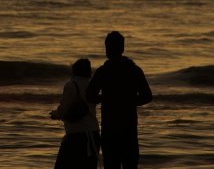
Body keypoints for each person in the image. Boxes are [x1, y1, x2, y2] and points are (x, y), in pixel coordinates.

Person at [86, 31, 152, 169]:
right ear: (122, 48)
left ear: (107, 50)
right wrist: (129, 101)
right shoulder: (134, 70)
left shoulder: (103, 71)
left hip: (110, 129)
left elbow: (89, 96)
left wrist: (106, 98)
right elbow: (147, 96)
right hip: (129, 129)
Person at [49, 58, 101, 169]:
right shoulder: (92, 85)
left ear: (74, 70)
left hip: (76, 135)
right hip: (94, 133)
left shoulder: (71, 85)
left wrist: (55, 114)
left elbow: (63, 110)